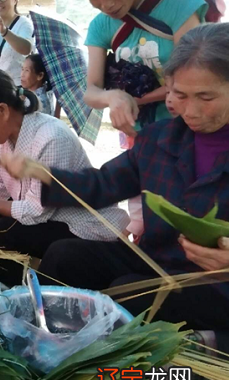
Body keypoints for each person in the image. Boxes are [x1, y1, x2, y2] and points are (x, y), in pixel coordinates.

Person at [0, 24, 229, 351]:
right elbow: (102, 184)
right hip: (156, 259)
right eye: (180, 94)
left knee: (131, 292)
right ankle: (44, 343)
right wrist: (42, 174)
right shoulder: (159, 139)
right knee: (65, 255)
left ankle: (156, 365)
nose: (190, 111)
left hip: (218, 283)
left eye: (206, 97)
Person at [0, 69, 129, 285]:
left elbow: (34, 211)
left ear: (2, 110)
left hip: (83, 223)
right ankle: (4, 283)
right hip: (52, 216)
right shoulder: (4, 139)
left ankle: (12, 291)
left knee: (8, 232)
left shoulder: (50, 137)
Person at [84, 0, 207, 239]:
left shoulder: (180, 7)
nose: (105, 5)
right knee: (145, 209)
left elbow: (195, 77)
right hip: (142, 137)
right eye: (94, 0)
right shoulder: (100, 25)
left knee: (186, 211)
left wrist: (137, 99)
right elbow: (91, 90)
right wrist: (113, 96)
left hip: (186, 132)